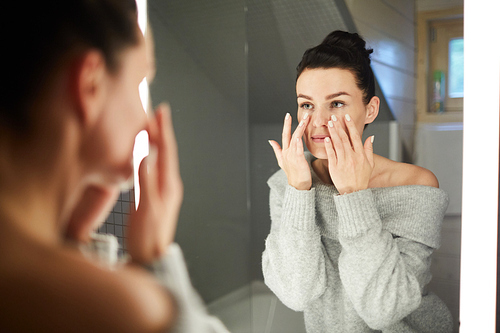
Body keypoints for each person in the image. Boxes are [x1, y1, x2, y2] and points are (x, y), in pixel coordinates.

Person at [0, 1, 227, 332]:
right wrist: (154, 260)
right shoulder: (126, 311)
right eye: (140, 83)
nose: (147, 123)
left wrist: (71, 240)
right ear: (90, 83)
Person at [263, 30, 453, 332]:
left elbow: (384, 309)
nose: (318, 120)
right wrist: (299, 191)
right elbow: (296, 293)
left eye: (336, 103)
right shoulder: (286, 183)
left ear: (370, 109)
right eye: (307, 105)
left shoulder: (415, 186)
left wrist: (353, 194)